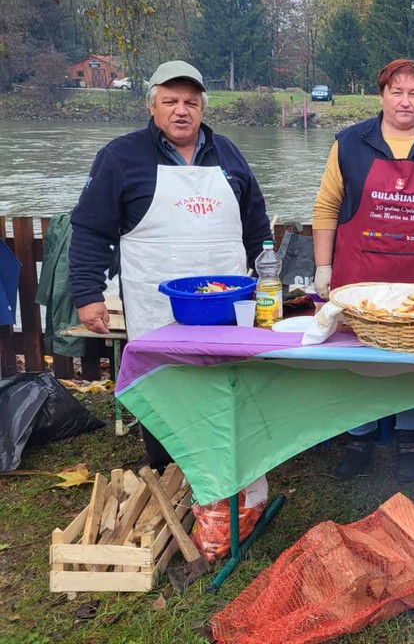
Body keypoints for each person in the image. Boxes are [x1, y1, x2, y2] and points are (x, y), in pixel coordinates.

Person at [70, 60, 271, 469]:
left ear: (202, 108)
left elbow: (256, 223)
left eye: (191, 102)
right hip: (156, 303)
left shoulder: (229, 154)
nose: (182, 110)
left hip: (227, 303)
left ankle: (224, 462)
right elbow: (92, 229)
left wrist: (268, 277)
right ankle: (166, 467)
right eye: (171, 101)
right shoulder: (120, 157)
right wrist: (88, 294)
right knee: (164, 385)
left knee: (224, 381)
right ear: (152, 107)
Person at [312, 59, 414, 483]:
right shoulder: (350, 142)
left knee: (413, 365)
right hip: (361, 278)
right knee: (360, 363)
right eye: (397, 92)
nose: (405, 101)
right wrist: (324, 267)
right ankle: (359, 439)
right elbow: (326, 207)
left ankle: (410, 441)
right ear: (382, 95)